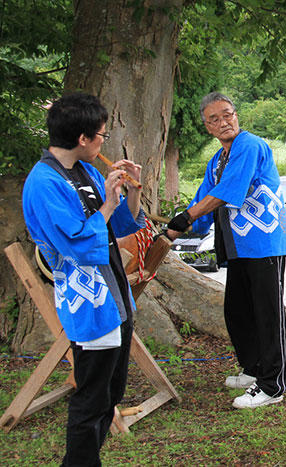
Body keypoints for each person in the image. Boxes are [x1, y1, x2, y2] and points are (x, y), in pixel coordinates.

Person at [22, 92, 145, 466]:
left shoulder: (87, 170)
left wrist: (131, 194)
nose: (104, 142)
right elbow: (78, 244)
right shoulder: (44, 183)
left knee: (111, 393)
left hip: (115, 298)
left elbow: (121, 225)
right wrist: (107, 203)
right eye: (102, 135)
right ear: (83, 138)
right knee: (91, 399)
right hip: (87, 302)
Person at [165, 92, 286, 408]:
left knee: (267, 314)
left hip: (264, 241)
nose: (224, 122)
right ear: (207, 127)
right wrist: (173, 231)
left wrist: (185, 218)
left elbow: (228, 192)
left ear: (237, 115)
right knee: (237, 312)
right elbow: (203, 201)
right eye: (215, 119)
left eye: (228, 114)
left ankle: (272, 385)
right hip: (238, 246)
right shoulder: (217, 160)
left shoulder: (248, 145)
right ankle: (253, 370)